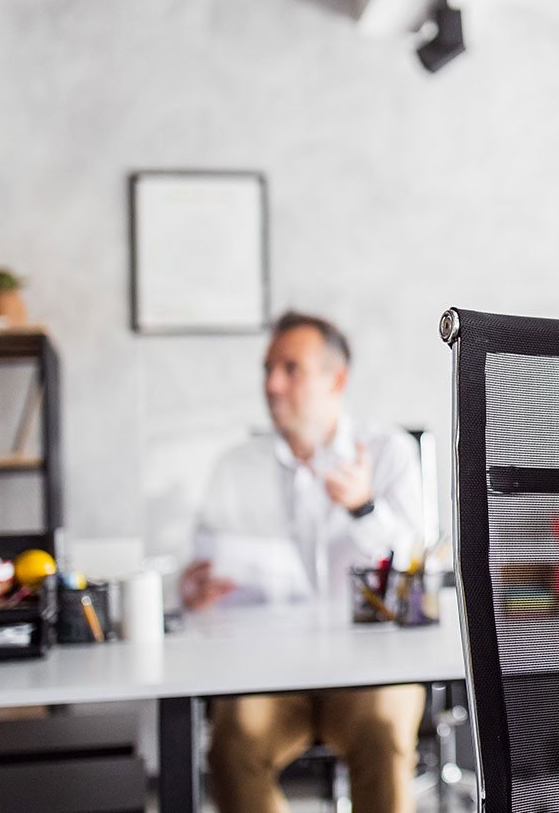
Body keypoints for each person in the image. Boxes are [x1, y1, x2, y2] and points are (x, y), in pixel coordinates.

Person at [180, 311, 429, 813]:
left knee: (383, 731)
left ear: (337, 379)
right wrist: (191, 590)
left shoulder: (389, 454)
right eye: (268, 369)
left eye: (290, 368)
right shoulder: (235, 468)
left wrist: (363, 507)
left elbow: (414, 572)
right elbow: (198, 569)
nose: (271, 384)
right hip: (267, 672)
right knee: (231, 746)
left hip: (371, 670)